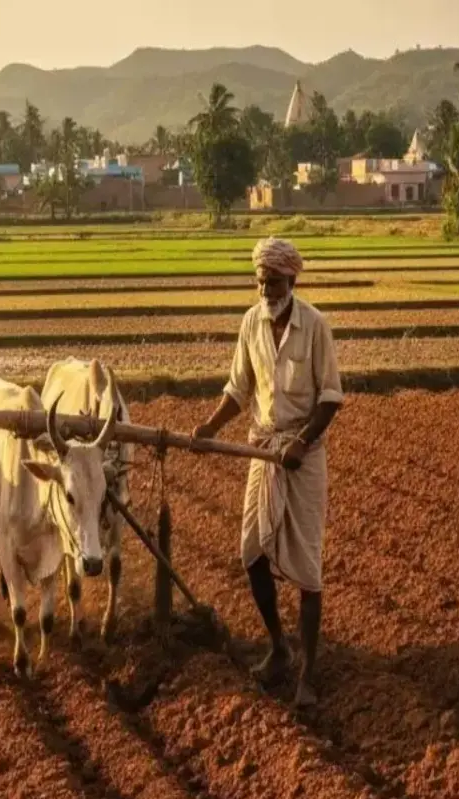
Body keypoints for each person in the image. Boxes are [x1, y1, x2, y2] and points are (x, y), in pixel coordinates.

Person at [192, 236, 343, 707]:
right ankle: (279, 647)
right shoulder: (251, 323)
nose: (265, 292)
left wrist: (301, 443)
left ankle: (309, 674)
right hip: (264, 450)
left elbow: (330, 397)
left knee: (308, 570)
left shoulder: (314, 325)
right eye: (260, 283)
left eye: (273, 282)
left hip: (304, 455)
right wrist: (209, 428)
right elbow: (239, 389)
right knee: (251, 553)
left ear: (291, 280)